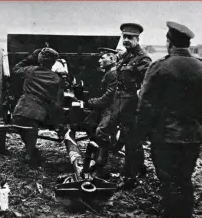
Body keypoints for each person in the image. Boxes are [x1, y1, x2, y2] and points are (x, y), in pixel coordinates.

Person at [127, 21, 202, 217]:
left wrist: (140, 133)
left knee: (168, 181)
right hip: (192, 136)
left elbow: (146, 105)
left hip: (165, 136)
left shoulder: (159, 67)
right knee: (184, 179)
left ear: (169, 42)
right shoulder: (200, 67)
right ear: (187, 44)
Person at [94, 23, 152, 176]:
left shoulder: (143, 58)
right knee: (103, 130)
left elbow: (148, 83)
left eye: (130, 37)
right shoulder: (125, 55)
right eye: (124, 37)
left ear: (137, 39)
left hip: (130, 101)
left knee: (131, 138)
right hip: (118, 99)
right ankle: (101, 162)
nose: (126, 40)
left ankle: (134, 172)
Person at [11, 48, 61, 167]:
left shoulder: (31, 70)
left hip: (21, 110)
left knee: (24, 130)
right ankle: (30, 154)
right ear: (53, 63)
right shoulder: (56, 78)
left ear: (39, 60)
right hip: (38, 113)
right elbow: (56, 101)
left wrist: (30, 57)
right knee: (31, 133)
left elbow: (15, 69)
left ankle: (31, 153)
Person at [82, 51, 118, 172]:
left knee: (101, 131)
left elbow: (108, 97)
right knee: (89, 123)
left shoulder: (114, 73)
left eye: (103, 58)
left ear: (112, 59)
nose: (99, 61)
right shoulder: (109, 72)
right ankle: (98, 150)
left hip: (112, 107)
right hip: (106, 106)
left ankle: (101, 162)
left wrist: (91, 102)